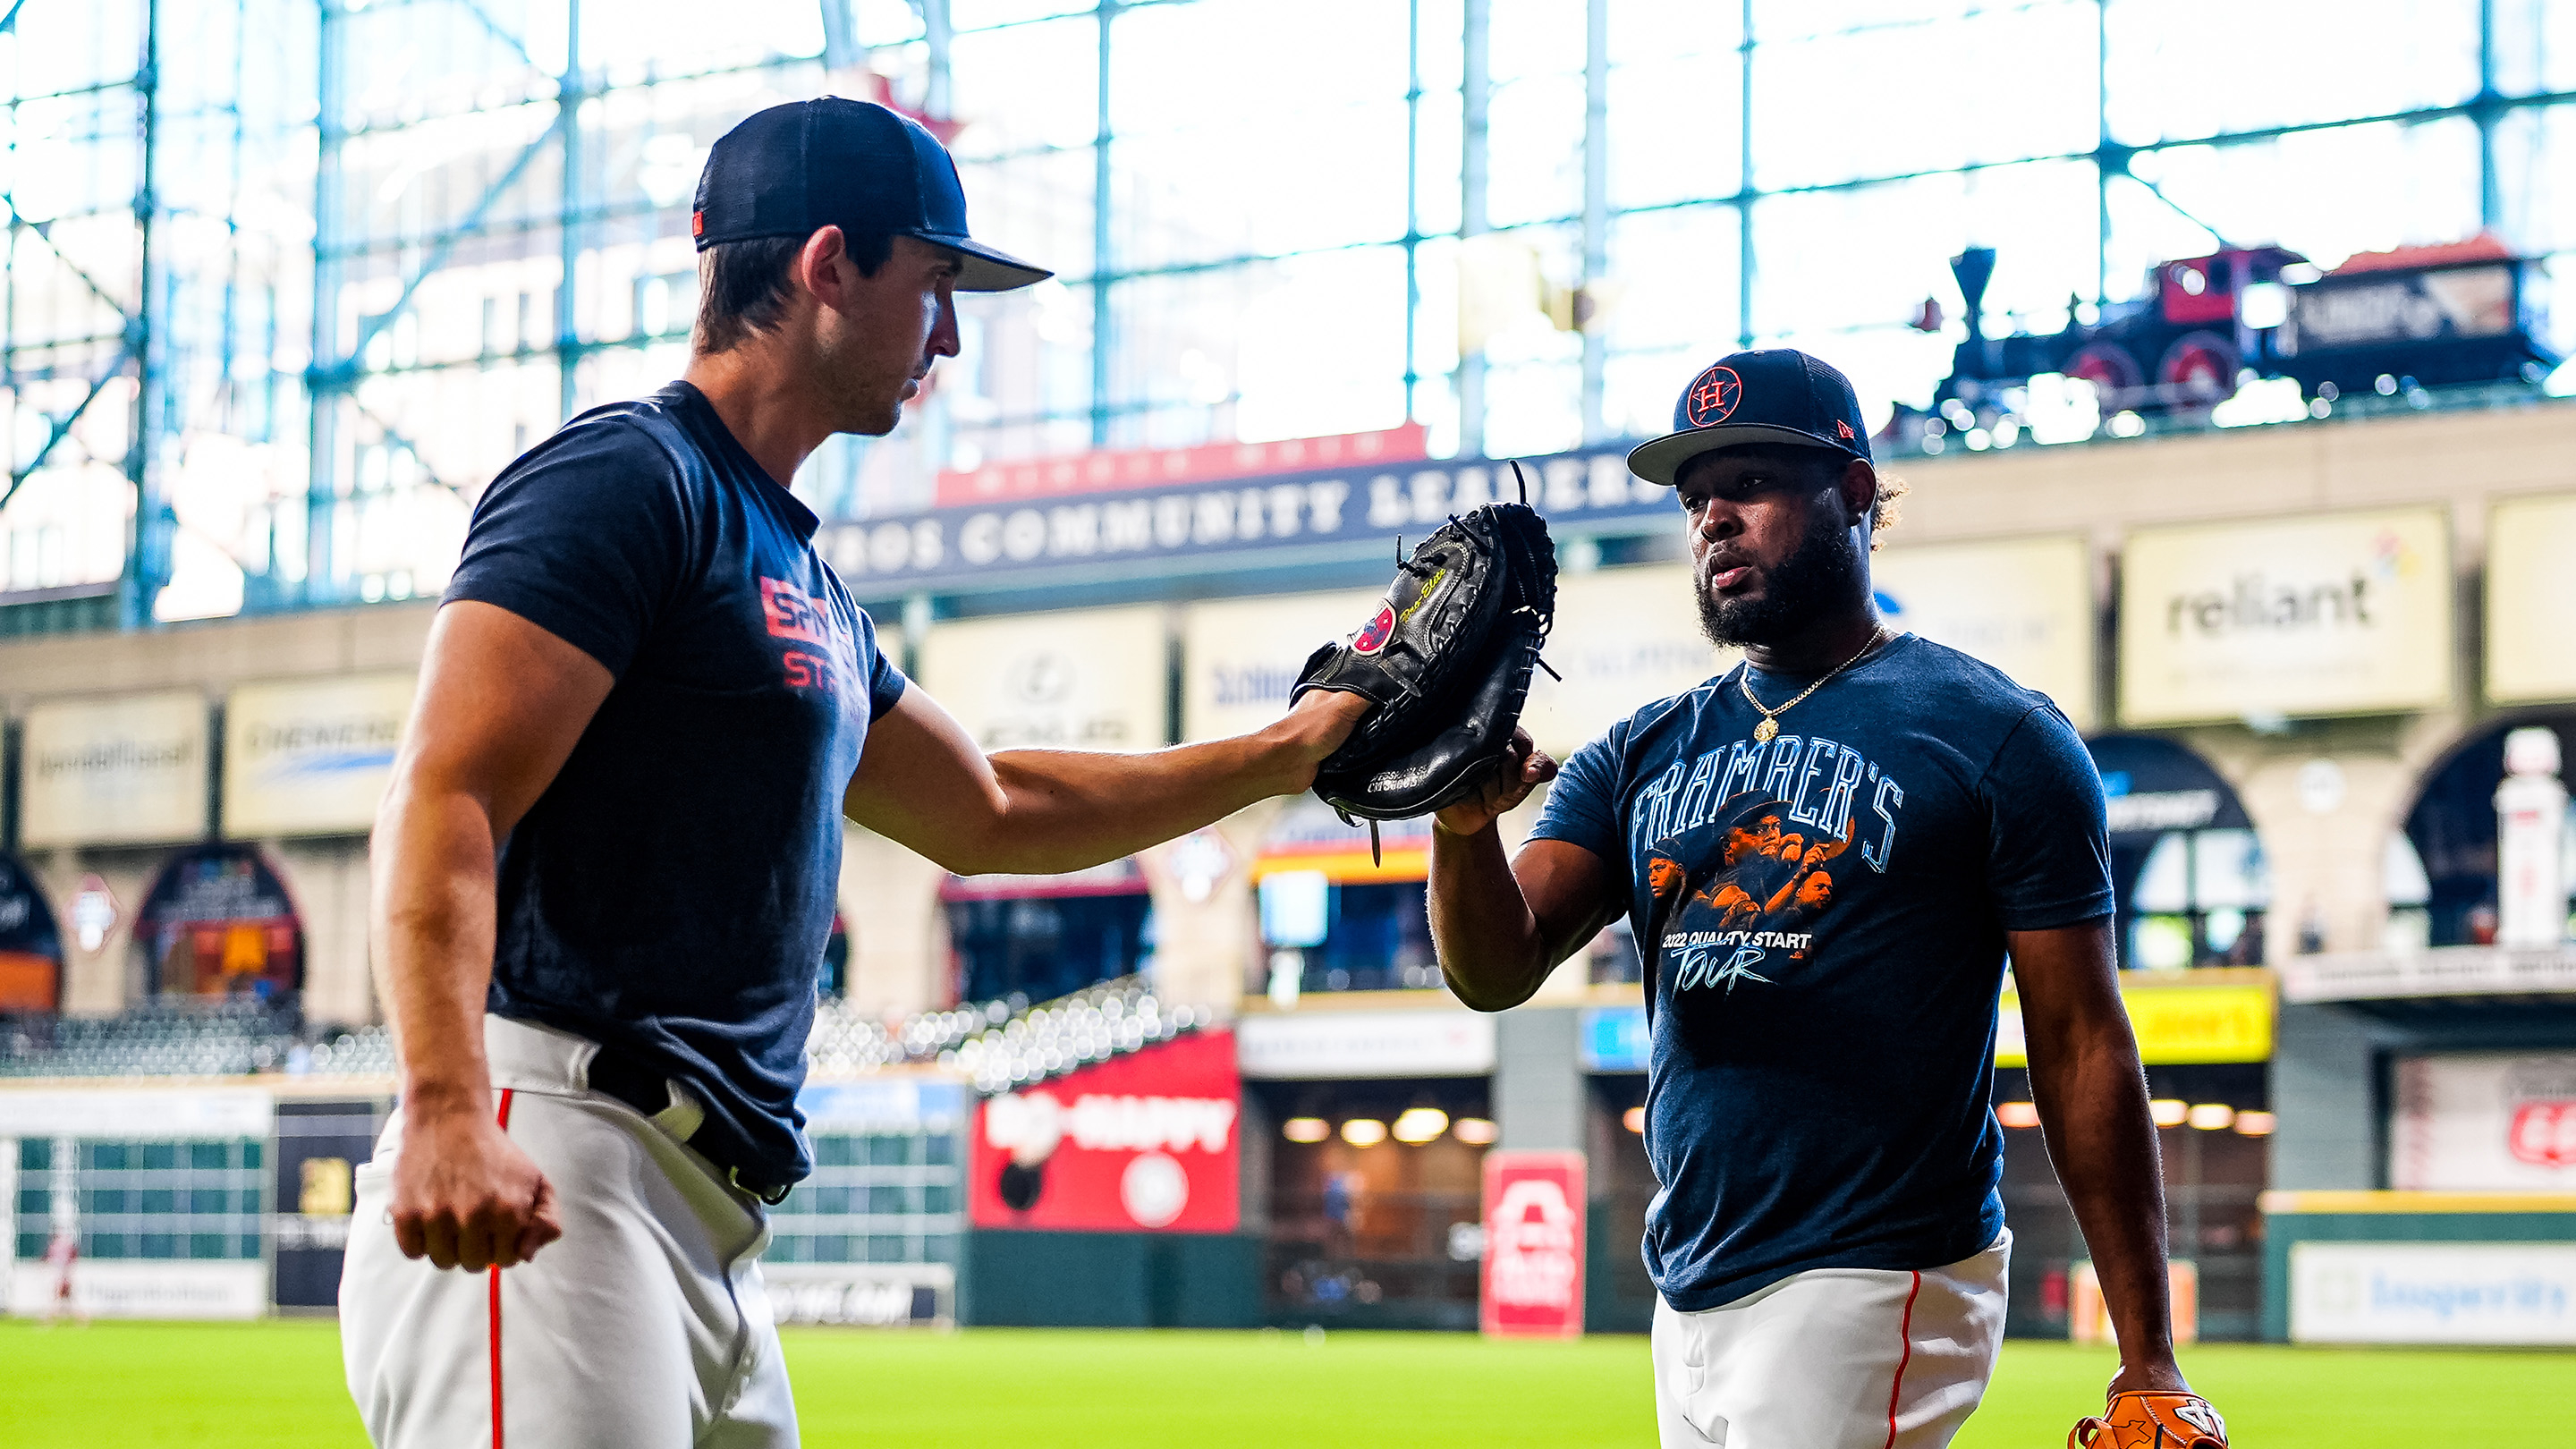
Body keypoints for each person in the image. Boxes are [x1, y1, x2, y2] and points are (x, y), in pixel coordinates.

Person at [341, 97, 1368, 1449]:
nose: (948, 333)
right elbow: (444, 791)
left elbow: (995, 812)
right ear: (829, 267)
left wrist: (1291, 748)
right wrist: (446, 1110)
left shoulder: (807, 583)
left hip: (703, 1225)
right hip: (553, 1160)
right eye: (936, 284)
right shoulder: (622, 479)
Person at [1428, 349, 2219, 1447]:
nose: (1713, 521)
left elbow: (2083, 1043)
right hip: (1693, 1275)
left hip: (1876, 1265)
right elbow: (1493, 969)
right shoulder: (1640, 750)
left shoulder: (1997, 735)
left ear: (1854, 495)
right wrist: (1461, 827)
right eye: (1697, 500)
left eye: (1748, 486)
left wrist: (2149, 1361)